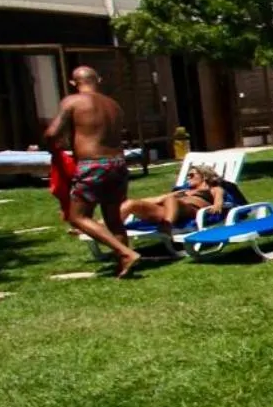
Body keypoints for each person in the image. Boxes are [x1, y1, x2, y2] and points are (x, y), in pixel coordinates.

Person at [40, 66, 138, 277]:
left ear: (73, 83)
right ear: (99, 79)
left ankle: (126, 253)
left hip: (92, 164)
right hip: (118, 163)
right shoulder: (114, 105)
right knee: (113, 218)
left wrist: (52, 147)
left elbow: (52, 132)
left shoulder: (72, 101)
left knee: (78, 217)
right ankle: (123, 265)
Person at [121, 164, 237, 232]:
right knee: (130, 204)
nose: (188, 178)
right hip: (170, 211)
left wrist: (217, 205)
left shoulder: (213, 188)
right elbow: (157, 200)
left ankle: (167, 226)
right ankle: (106, 228)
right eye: (187, 176)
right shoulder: (183, 191)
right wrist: (166, 197)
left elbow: (219, 198)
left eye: (191, 175)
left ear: (204, 176)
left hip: (192, 211)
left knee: (170, 198)